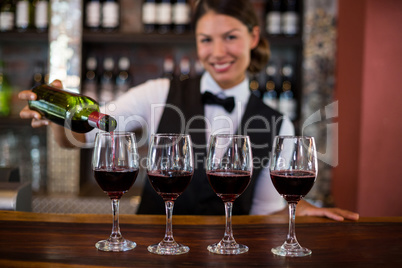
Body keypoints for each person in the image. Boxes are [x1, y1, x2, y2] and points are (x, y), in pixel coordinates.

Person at [19, 0, 358, 221]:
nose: (218, 52)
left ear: (253, 37)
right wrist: (58, 117)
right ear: (195, 43)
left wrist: (297, 212)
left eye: (230, 37)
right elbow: (86, 134)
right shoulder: (160, 92)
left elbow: (264, 214)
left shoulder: (277, 123)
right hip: (152, 249)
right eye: (206, 40)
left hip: (229, 255)